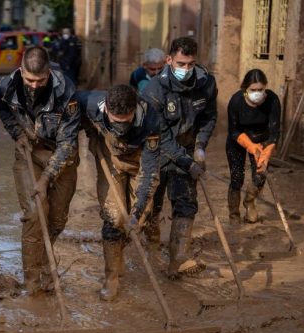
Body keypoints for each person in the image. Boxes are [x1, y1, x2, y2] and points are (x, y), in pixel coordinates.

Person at [0, 46, 81, 294]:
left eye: (40, 80)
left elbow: (67, 143)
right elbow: (0, 107)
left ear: (48, 72)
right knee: (34, 214)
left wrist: (45, 179)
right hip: (28, 152)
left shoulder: (66, 91)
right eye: (29, 80)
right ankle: (32, 280)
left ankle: (43, 264)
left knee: (56, 219)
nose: (34, 86)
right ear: (21, 71)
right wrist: (17, 133)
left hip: (61, 155)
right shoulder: (6, 86)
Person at [77, 85, 164, 300]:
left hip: (139, 164)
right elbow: (70, 111)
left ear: (134, 110)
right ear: (106, 109)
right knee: (113, 218)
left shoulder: (151, 119)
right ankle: (112, 277)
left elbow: (150, 173)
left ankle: (124, 248)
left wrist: (137, 212)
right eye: (116, 121)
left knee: (139, 218)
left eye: (126, 121)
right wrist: (90, 131)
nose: (121, 127)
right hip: (111, 161)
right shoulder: (90, 103)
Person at [141, 36, 217, 279]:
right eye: (181, 64)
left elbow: (209, 117)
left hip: (186, 149)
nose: (186, 69)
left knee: (186, 202)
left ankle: (178, 258)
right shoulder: (153, 90)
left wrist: (200, 146)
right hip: (155, 151)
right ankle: (152, 245)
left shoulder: (206, 83)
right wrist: (187, 162)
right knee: (152, 206)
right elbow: (160, 135)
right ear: (169, 60)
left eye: (191, 64)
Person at [226, 69, 281, 224]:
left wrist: (267, 152)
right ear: (245, 89)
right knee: (237, 178)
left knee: (260, 175)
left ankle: (249, 202)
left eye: (260, 89)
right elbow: (233, 131)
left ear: (265, 87)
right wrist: (249, 145)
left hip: (262, 140)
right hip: (238, 140)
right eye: (253, 90)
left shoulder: (272, 100)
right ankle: (234, 215)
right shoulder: (236, 101)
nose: (257, 93)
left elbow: (274, 132)